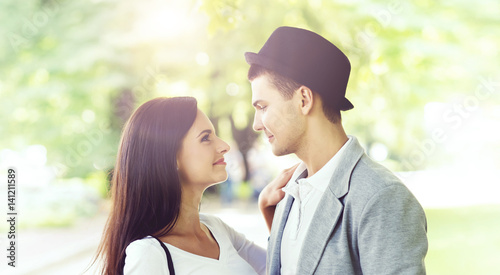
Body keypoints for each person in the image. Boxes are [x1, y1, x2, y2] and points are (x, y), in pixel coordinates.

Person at [246, 26, 428, 274]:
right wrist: (273, 223)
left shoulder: (382, 199)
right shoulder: (286, 197)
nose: (257, 124)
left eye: (263, 106)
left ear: (303, 100)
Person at [92, 97, 275, 275]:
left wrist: (268, 212)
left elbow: (280, 268)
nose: (224, 146)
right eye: (205, 138)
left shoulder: (216, 229)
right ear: (170, 158)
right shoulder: (149, 253)